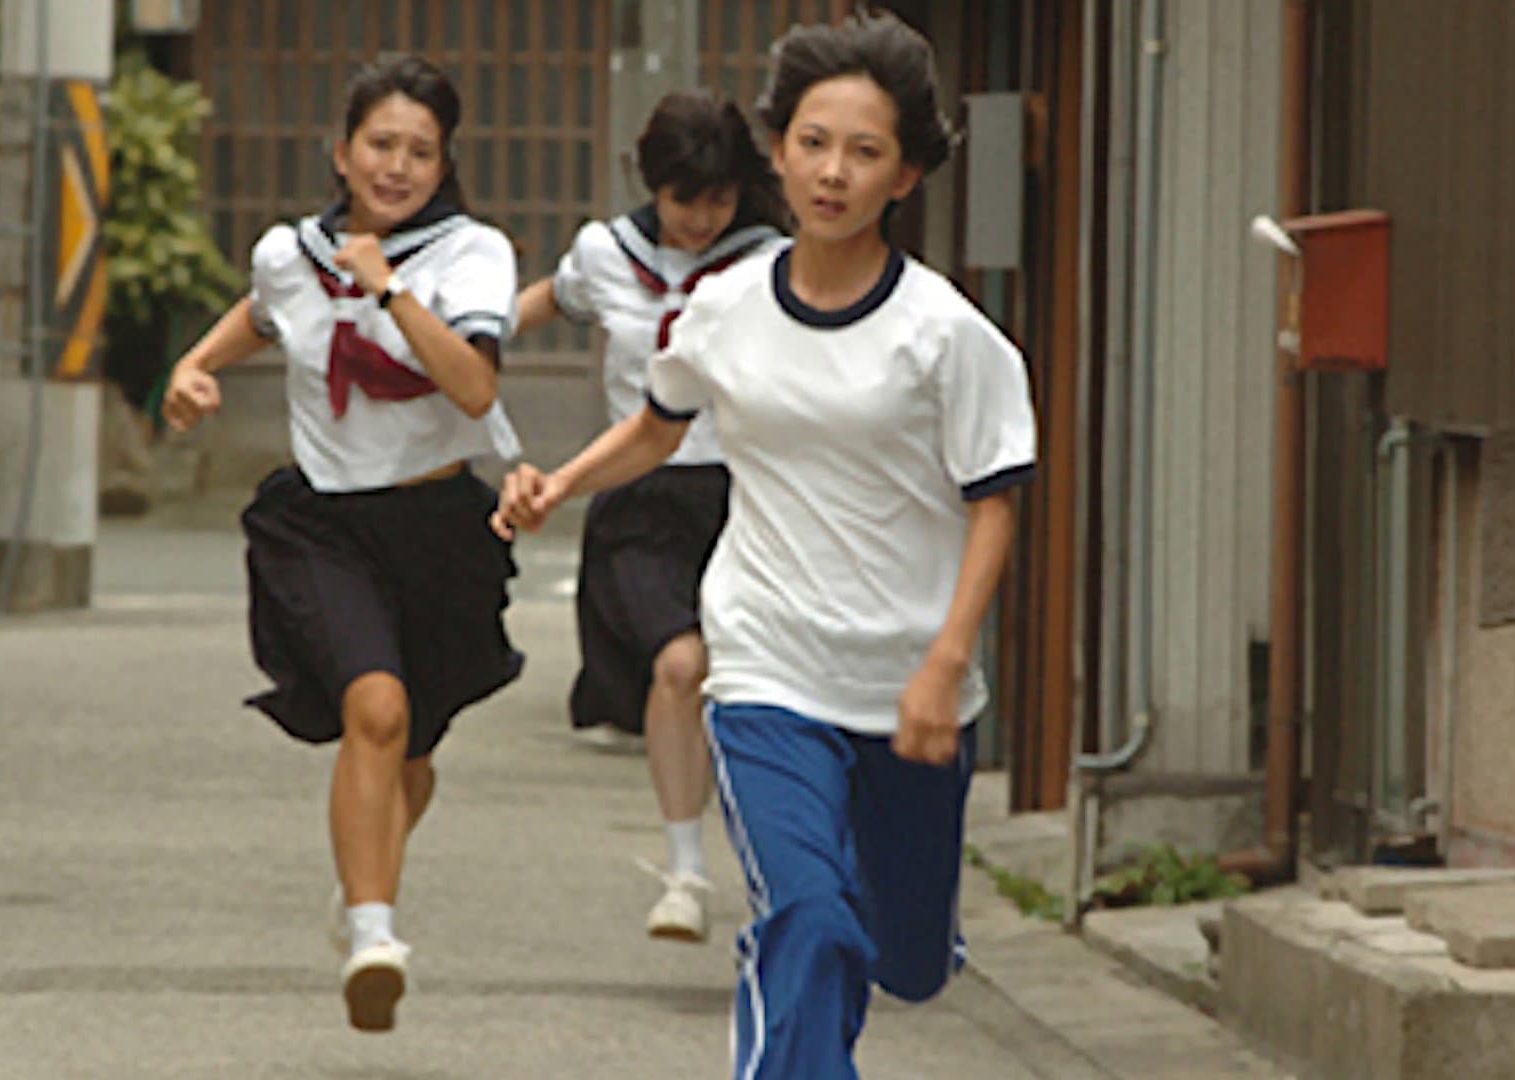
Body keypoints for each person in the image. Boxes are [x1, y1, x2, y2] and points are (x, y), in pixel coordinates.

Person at [493, 11, 1037, 1077]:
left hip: (909, 688)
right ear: (779, 152)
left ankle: (913, 935)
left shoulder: (948, 335)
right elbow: (659, 424)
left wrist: (945, 662)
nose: (833, 172)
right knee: (810, 923)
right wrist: (559, 484)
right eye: (813, 143)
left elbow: (996, 506)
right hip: (767, 670)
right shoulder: (725, 307)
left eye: (865, 151)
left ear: (906, 174)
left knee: (907, 961)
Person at [161, 54, 523, 1034]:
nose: (396, 166)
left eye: (418, 150)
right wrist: (194, 367)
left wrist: (394, 291)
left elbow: (476, 388)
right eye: (380, 145)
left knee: (414, 752)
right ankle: (374, 933)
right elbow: (261, 313)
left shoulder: (473, 255)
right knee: (376, 708)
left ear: (444, 163)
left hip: (440, 527)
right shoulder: (292, 253)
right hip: (325, 524)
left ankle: (362, 885)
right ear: (342, 152)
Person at [513, 89, 783, 943]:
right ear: (652, 185)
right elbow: (553, 298)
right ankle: (686, 873)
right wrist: (464, 336)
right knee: (680, 664)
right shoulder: (606, 252)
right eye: (684, 200)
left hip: (747, 495)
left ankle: (778, 868)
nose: (702, 219)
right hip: (640, 494)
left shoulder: (770, 262)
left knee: (756, 692)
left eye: (719, 198)